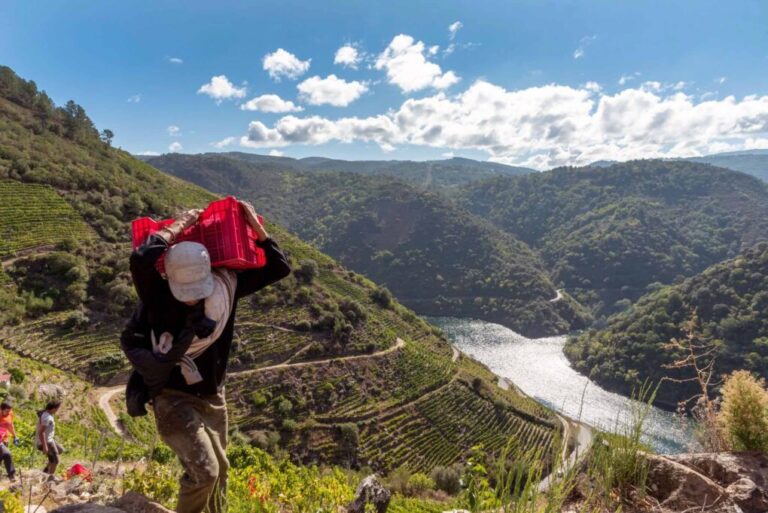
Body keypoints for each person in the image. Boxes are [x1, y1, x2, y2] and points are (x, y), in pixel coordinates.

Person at [121, 200, 290, 513]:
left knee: (221, 473)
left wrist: (256, 227)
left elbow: (279, 267)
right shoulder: (158, 296)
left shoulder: (224, 288)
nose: (194, 297)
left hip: (213, 397)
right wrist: (179, 225)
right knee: (205, 472)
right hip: (173, 399)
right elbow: (141, 258)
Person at [36, 400, 64, 476]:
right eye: (58, 408)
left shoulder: (47, 414)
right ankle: (49, 478)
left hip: (50, 439)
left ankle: (46, 469)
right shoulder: (47, 417)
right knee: (56, 461)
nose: (58, 410)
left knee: (60, 450)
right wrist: (45, 446)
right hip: (46, 441)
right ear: (53, 408)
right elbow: (41, 432)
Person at [0, 402, 18, 481]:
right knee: (7, 454)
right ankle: (12, 475)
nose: (8, 413)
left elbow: (10, 425)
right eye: (6, 411)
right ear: (1, 410)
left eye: (9, 411)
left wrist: (15, 436)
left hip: (5, 439)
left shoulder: (10, 414)